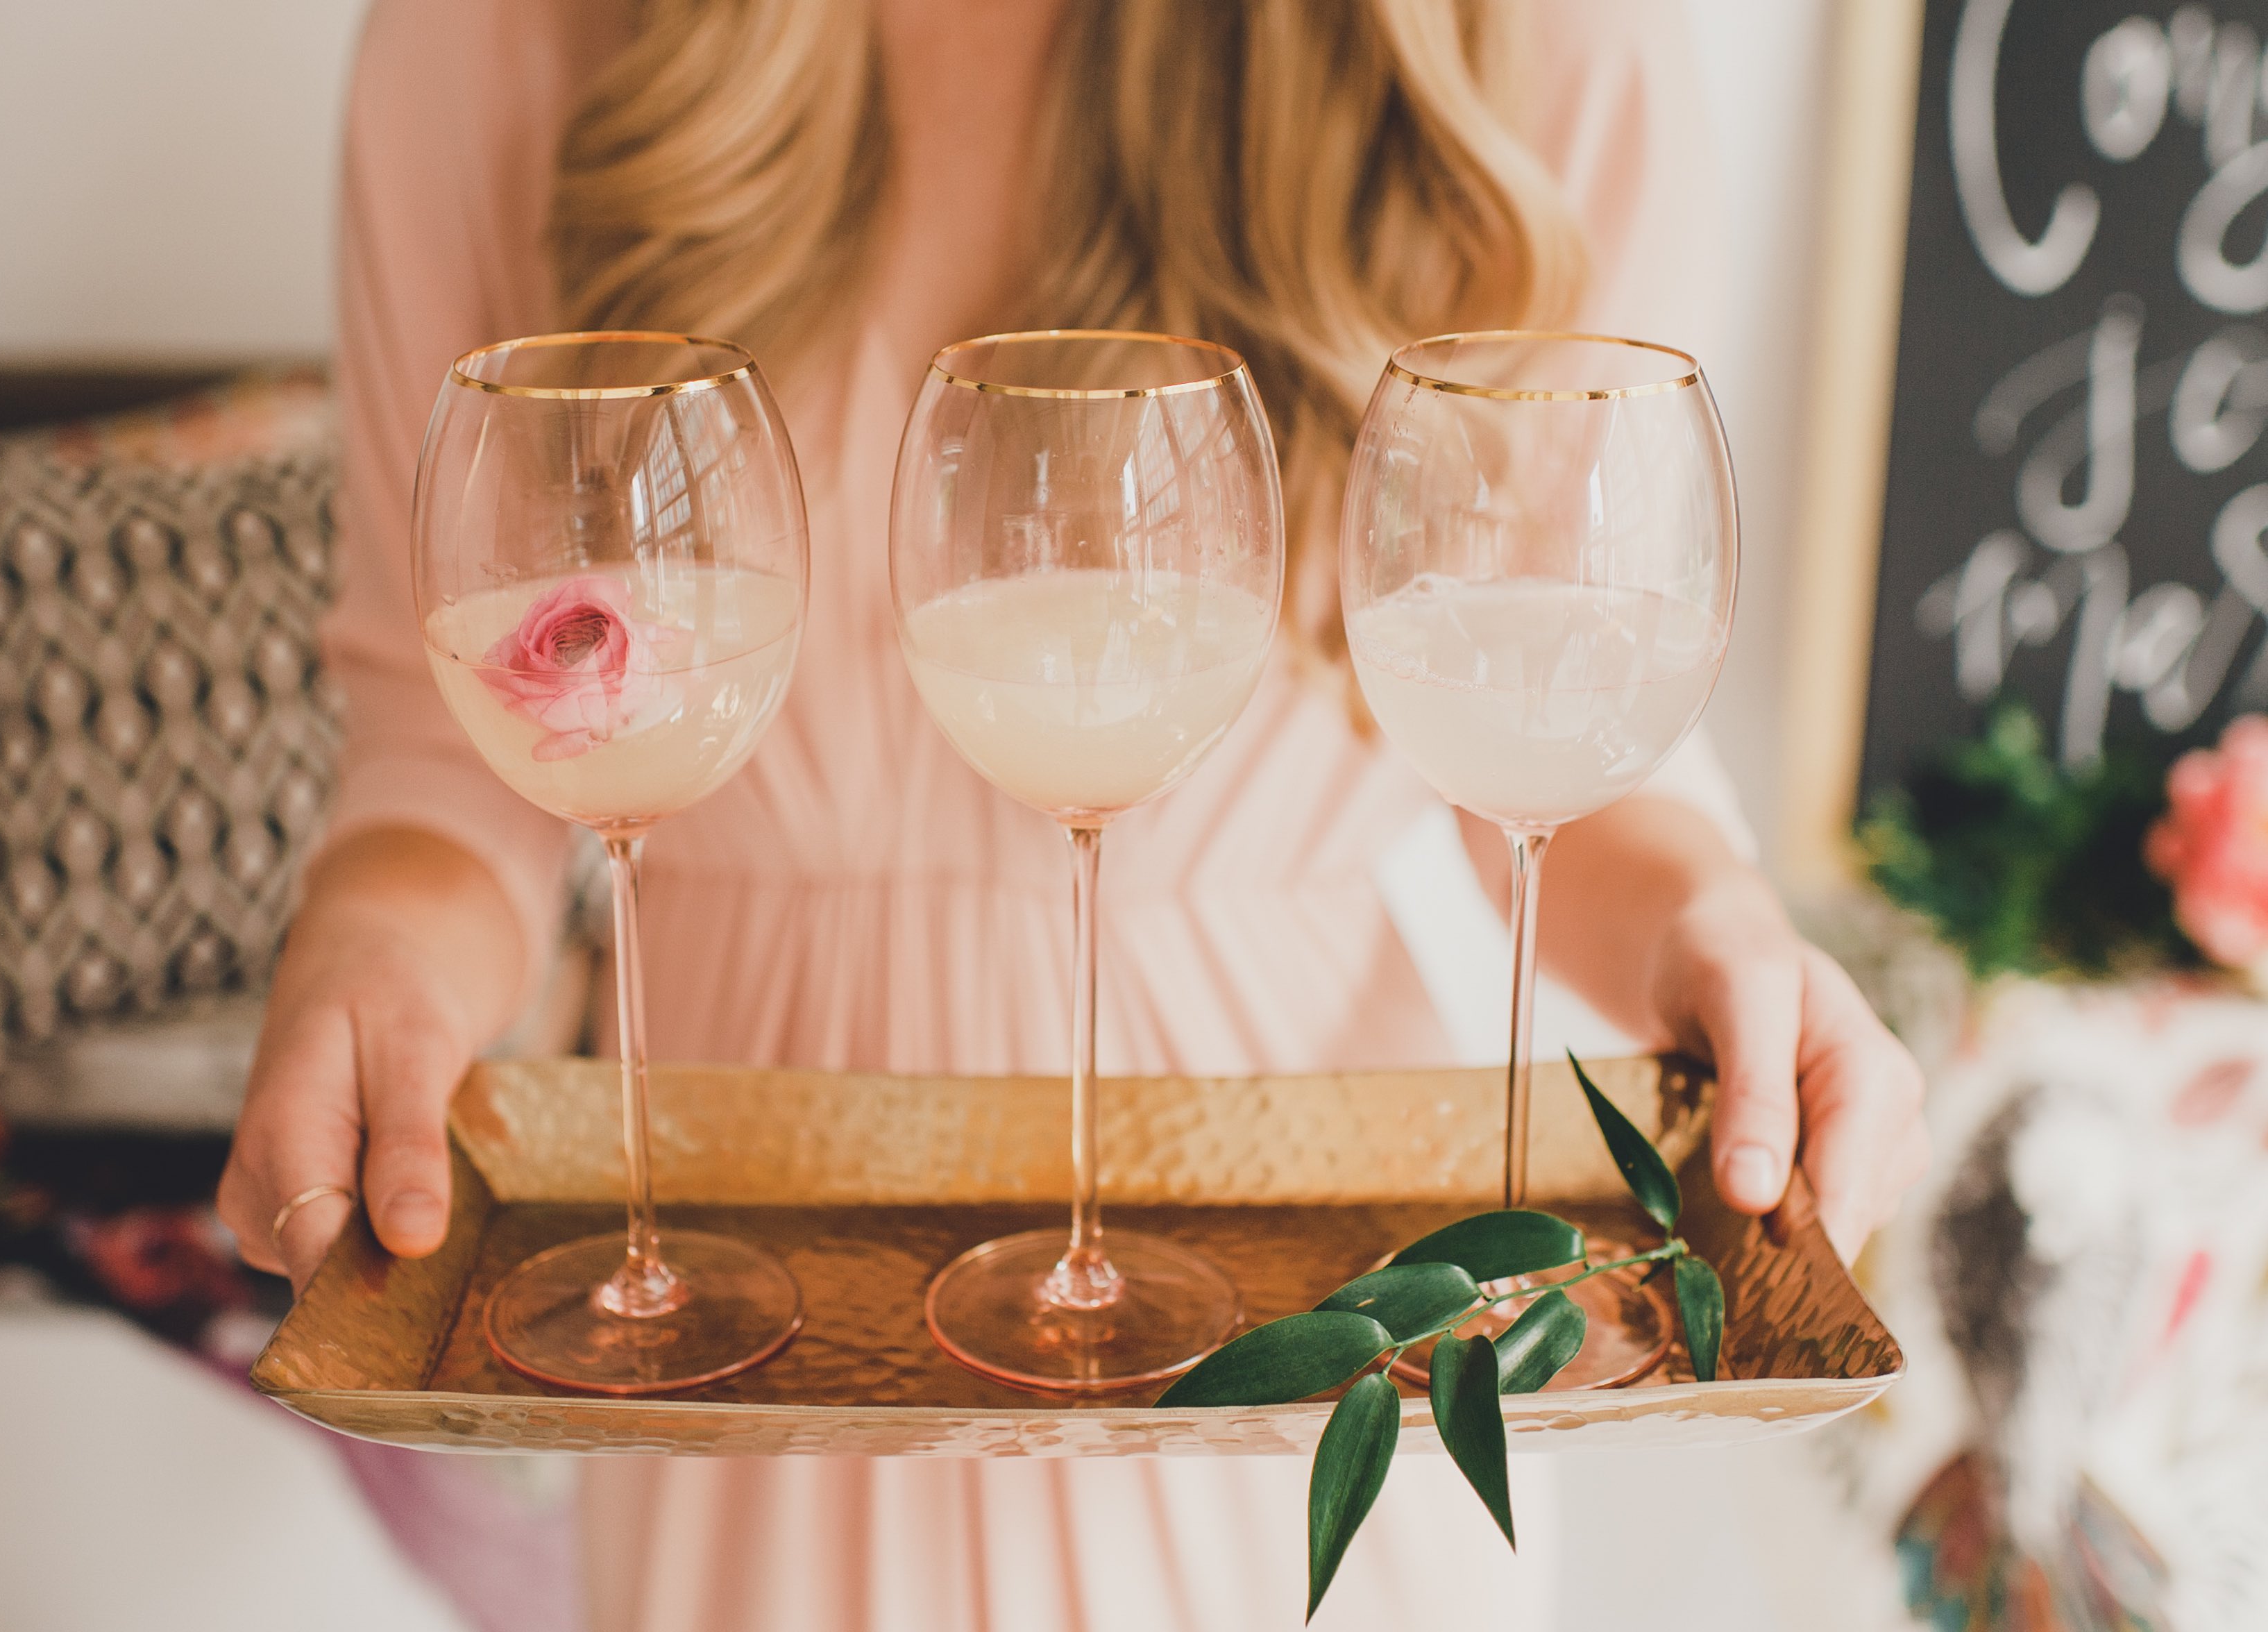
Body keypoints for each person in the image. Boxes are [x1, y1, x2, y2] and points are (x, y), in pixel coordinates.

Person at [221, 1, 1931, 1626]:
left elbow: (1557, 723)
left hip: (1300, 1313)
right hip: (755, 1314)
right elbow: (447, 745)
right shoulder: (496, 42)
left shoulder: (1527, 48)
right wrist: (373, 948)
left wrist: (1715, 918)